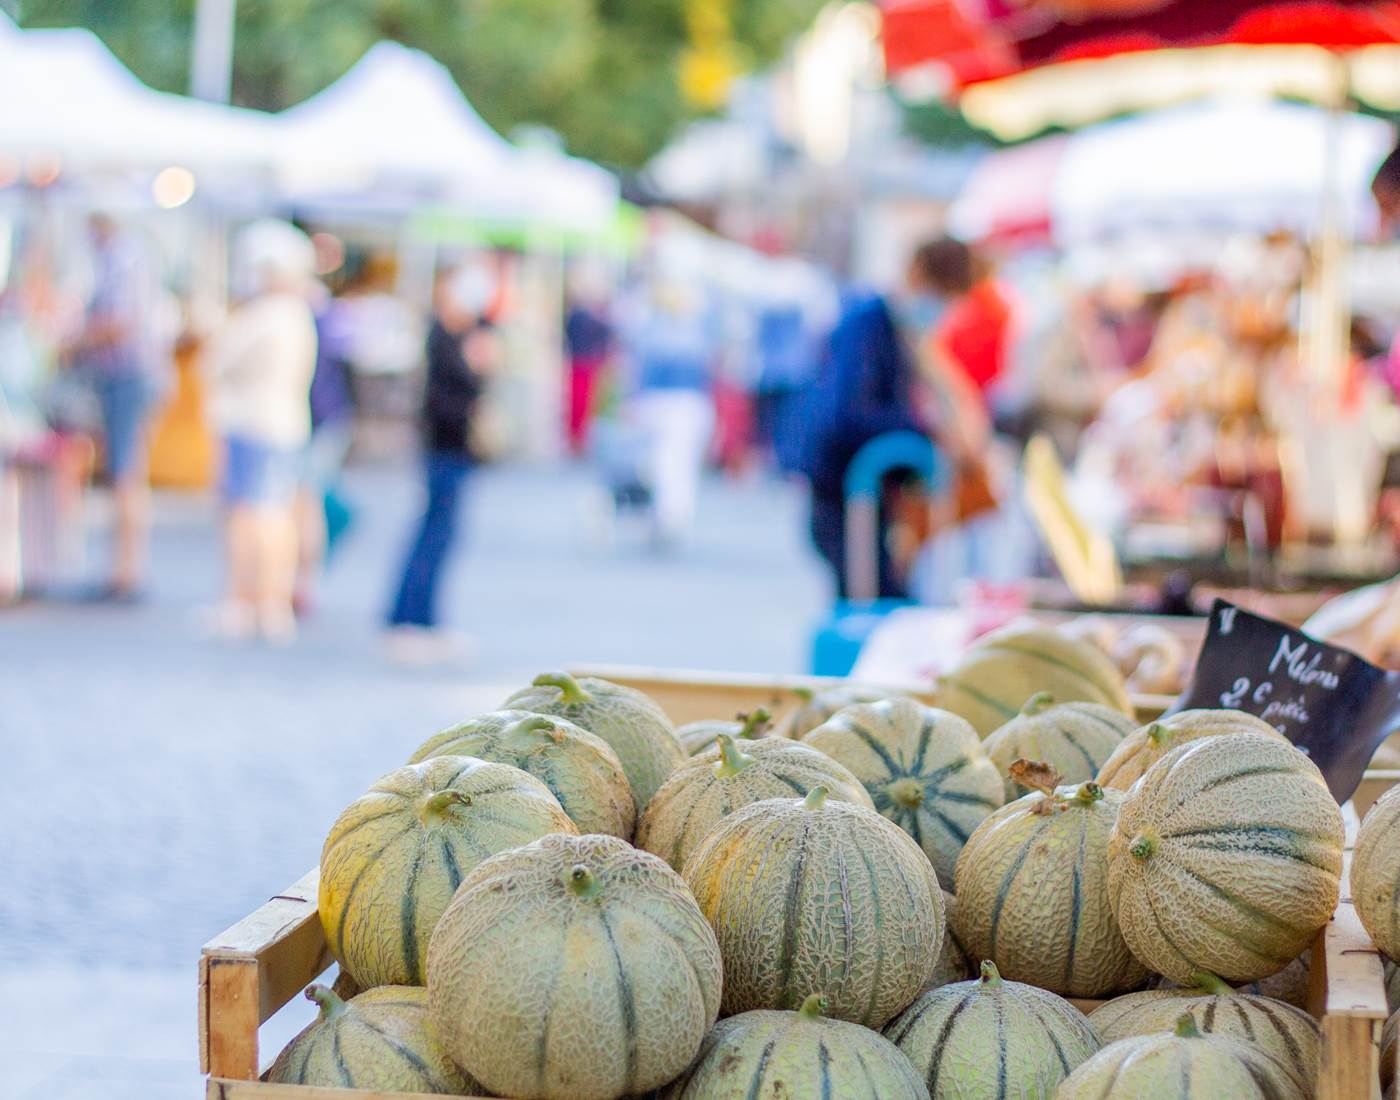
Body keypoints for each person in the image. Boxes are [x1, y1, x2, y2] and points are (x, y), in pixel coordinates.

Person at [203, 220, 318, 643]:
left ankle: (246, 599)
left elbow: (217, 360)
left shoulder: (267, 315)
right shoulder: (297, 314)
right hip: (283, 424)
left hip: (254, 424)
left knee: (251, 516)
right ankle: (271, 601)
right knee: (275, 515)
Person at [385, 263, 498, 660]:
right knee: (434, 533)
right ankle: (412, 618)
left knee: (441, 534)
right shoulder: (444, 338)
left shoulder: (461, 335)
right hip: (444, 449)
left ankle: (420, 617)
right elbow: (447, 401)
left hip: (452, 449)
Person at [68, 214, 168, 600]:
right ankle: (123, 568)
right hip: (126, 375)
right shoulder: (124, 255)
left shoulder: (123, 258)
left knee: (126, 472)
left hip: (127, 375)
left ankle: (126, 571)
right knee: (124, 471)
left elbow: (120, 322)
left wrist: (76, 341)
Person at [621, 277, 718, 547]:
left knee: (665, 462)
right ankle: (671, 514)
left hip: (663, 404)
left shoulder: (653, 332)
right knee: (676, 463)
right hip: (683, 404)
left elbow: (637, 369)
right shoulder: (697, 334)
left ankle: (668, 514)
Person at [563, 272, 613, 456]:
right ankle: (578, 440)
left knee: (585, 403)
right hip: (582, 361)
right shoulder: (581, 315)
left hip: (586, 361)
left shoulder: (583, 315)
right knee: (580, 403)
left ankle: (581, 439)